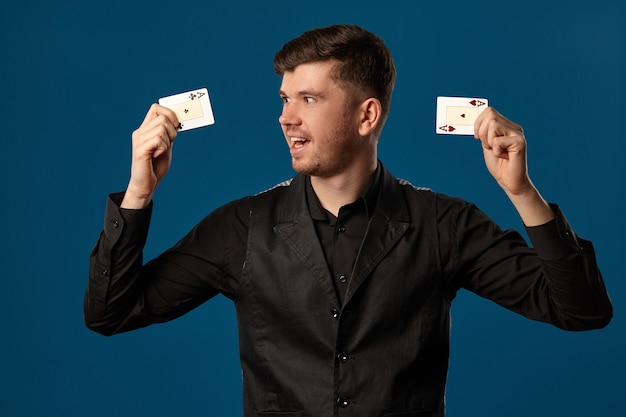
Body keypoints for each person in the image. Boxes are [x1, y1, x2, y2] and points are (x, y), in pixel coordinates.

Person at [84, 24, 612, 417]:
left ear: (367, 115)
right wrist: (138, 193)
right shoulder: (241, 228)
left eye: (308, 99)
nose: (286, 117)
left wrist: (521, 192)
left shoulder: (443, 224)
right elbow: (111, 313)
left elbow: (582, 310)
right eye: (285, 99)